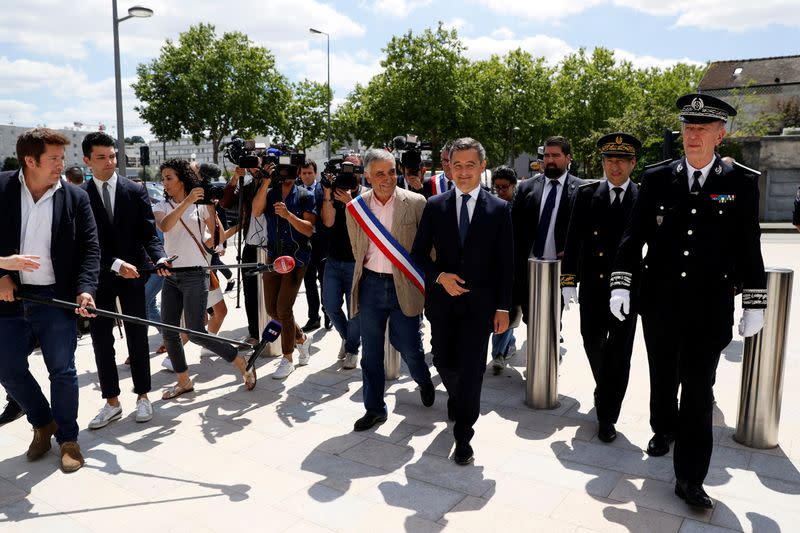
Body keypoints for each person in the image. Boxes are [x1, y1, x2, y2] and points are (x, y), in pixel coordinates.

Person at [610, 93, 767, 509]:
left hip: (709, 307)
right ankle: (662, 428)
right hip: (660, 303)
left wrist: (755, 301)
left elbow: (749, 246)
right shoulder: (659, 177)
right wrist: (621, 283)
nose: (692, 135)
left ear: (721, 134)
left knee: (698, 390)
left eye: (702, 129)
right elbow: (633, 237)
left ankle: (690, 478)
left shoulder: (741, 183)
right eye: (687, 128)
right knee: (663, 375)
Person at [0, 128, 100, 473]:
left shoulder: (75, 197)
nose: (62, 164)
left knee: (63, 371)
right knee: (7, 367)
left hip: (55, 300)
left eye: (62, 157)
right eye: (54, 158)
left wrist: (86, 288)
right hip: (9, 299)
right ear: (30, 160)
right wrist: (1, 273)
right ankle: (43, 422)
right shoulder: (1, 188)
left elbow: (90, 249)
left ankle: (68, 440)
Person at [411, 137, 513, 465]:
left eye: (471, 165)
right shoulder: (435, 206)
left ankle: (464, 434)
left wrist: (503, 307)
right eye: (458, 165)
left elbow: (506, 263)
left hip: (480, 307)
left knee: (472, 370)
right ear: (448, 168)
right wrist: (440, 276)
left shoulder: (498, 209)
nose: (464, 171)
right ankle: (460, 399)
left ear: (483, 167)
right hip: (442, 304)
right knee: (443, 362)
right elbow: (418, 255)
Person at [79, 132, 170, 428]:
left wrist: (159, 258)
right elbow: (84, 245)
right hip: (99, 278)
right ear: (87, 160)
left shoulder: (135, 190)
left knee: (137, 336)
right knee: (101, 341)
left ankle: (144, 397)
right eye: (102, 157)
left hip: (135, 276)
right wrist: (115, 264)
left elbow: (148, 235)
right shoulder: (79, 195)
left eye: (113, 156)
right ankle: (111, 402)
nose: (110, 162)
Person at [345, 148, 435, 431]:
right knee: (371, 353)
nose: (388, 178)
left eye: (392, 172)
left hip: (404, 285)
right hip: (371, 284)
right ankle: (374, 409)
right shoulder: (355, 208)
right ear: (368, 177)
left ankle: (422, 379)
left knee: (409, 344)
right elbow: (357, 249)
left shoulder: (417, 202)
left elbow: (430, 249)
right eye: (380, 174)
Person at [560, 132, 642, 443]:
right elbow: (572, 239)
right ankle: (605, 390)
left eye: (621, 160)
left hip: (628, 289)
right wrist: (568, 281)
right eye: (609, 159)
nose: (615, 166)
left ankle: (607, 415)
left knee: (619, 353)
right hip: (594, 286)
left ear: (633, 163)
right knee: (592, 341)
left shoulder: (642, 196)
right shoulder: (586, 193)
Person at [153, 159, 257, 398]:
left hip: (195, 274)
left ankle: (238, 359)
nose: (165, 183)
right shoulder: (161, 205)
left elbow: (216, 238)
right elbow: (166, 226)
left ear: (181, 179)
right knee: (169, 332)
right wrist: (187, 201)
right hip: (171, 275)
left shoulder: (200, 206)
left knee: (196, 332)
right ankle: (184, 381)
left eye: (169, 178)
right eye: (163, 179)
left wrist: (212, 207)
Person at [251, 158, 316, 379]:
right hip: (273, 256)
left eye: (289, 169)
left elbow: (309, 230)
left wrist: (289, 215)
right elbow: (256, 211)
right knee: (273, 310)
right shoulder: (270, 193)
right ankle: (302, 339)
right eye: (282, 169)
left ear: (297, 171)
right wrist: (266, 181)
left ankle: (287, 357)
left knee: (284, 309)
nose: (285, 173)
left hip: (296, 257)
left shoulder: (305, 195)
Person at [512, 136, 585, 322]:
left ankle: (551, 347)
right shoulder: (526, 188)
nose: (550, 160)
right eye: (547, 155)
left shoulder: (582, 190)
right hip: (528, 268)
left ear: (568, 158)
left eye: (556, 155)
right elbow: (514, 229)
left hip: (560, 269)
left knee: (552, 319)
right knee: (531, 319)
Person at [321, 167, 362, 370]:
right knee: (330, 306)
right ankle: (348, 339)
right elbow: (328, 222)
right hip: (334, 260)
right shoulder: (334, 196)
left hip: (355, 262)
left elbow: (367, 226)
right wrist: (328, 194)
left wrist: (351, 203)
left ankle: (352, 350)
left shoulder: (365, 197)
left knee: (354, 310)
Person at [221, 166, 266, 346]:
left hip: (274, 246)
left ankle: (286, 334)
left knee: (274, 296)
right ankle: (254, 333)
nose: (255, 168)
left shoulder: (276, 184)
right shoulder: (247, 186)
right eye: (252, 165)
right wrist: (234, 178)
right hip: (251, 245)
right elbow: (225, 202)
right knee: (250, 292)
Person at [488, 166, 519, 372]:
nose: (500, 191)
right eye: (496, 187)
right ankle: (508, 343)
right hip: (492, 268)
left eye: (504, 187)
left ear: (514, 186)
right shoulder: (490, 206)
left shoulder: (521, 207)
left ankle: (498, 353)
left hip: (515, 267)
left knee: (509, 308)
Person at [298, 160, 331, 332]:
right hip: (305, 243)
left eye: (310, 172)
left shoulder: (322, 190)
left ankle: (328, 314)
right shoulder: (297, 191)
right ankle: (313, 317)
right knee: (309, 281)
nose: (307, 176)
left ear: (315, 173)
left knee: (324, 280)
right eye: (304, 173)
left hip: (322, 242)